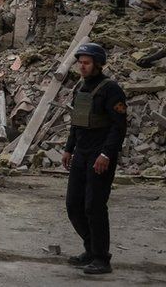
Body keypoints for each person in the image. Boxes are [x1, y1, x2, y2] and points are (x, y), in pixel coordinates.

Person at [62, 43, 128, 275]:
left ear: (98, 64)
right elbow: (76, 122)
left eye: (87, 63)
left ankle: (101, 258)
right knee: (73, 205)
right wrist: (69, 149)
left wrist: (106, 154)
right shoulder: (81, 87)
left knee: (94, 206)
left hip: (100, 155)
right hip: (81, 153)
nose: (82, 66)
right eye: (80, 62)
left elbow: (119, 127)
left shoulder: (111, 89)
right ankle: (91, 249)